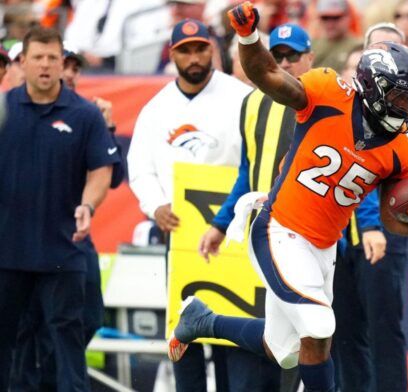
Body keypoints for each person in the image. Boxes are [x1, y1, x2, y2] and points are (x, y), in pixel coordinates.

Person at [168, 3, 408, 392]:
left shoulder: (407, 149)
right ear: (373, 88)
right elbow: (266, 73)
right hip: (279, 228)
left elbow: (390, 217)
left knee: (283, 349)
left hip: (323, 246)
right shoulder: (328, 93)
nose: (407, 110)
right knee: (319, 326)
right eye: (400, 99)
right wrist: (249, 37)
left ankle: (202, 321)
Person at [127, 18, 252, 392]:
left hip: (231, 232)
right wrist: (156, 205)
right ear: (172, 54)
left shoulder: (239, 96)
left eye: (200, 48)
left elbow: (255, 159)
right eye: (186, 50)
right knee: (184, 333)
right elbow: (140, 167)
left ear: (212, 50)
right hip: (181, 232)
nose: (194, 57)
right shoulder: (156, 108)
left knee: (233, 331)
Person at [0, 26, 119, 391]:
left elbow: (102, 170)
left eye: (53, 58)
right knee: (6, 348)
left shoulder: (84, 115)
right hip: (7, 253)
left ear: (62, 62)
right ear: (23, 62)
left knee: (68, 349)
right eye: (38, 57)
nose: (46, 65)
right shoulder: (3, 110)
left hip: (62, 252)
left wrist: (88, 204)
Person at [198, 22, 316, 391]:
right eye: (275, 56)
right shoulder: (250, 102)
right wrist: (220, 224)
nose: (283, 63)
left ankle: (204, 322)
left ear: (309, 58)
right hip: (263, 234)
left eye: (292, 56)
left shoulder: (322, 101)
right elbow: (248, 171)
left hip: (308, 235)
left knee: (309, 338)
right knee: (271, 338)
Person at [331, 22, 408, 392]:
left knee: (384, 327)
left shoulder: (406, 109)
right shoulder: (340, 107)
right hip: (335, 231)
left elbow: (374, 168)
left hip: (380, 229)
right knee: (342, 331)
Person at [311, 0, 361, 72]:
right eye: (325, 18)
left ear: (348, 17)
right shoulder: (313, 44)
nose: (330, 23)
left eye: (336, 18)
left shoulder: (358, 46)